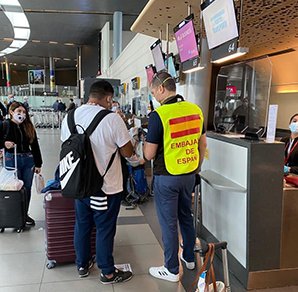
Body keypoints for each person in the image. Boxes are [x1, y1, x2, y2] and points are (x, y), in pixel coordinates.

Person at [61, 80, 134, 284]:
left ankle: (82, 265)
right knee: (104, 228)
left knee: (82, 225)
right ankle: (108, 272)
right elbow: (128, 152)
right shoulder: (112, 119)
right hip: (105, 188)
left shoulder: (69, 116)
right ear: (109, 98)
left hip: (79, 186)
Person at [143, 72, 207, 283]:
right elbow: (202, 144)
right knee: (186, 217)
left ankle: (171, 269)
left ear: (161, 88)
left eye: (153, 92)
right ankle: (189, 258)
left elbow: (149, 154)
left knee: (169, 224)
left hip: (166, 178)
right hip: (188, 175)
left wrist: (145, 144)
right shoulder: (195, 110)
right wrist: (196, 168)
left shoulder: (159, 115)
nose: (154, 96)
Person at [0, 102, 42, 226]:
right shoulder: (5, 125)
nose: (22, 115)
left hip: (28, 159)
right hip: (11, 159)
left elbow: (35, 145)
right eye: (19, 111)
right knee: (13, 187)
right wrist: (4, 143)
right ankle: (12, 214)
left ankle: (24, 214)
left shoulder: (28, 126)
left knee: (26, 188)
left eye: (24, 112)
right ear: (11, 112)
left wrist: (38, 163)